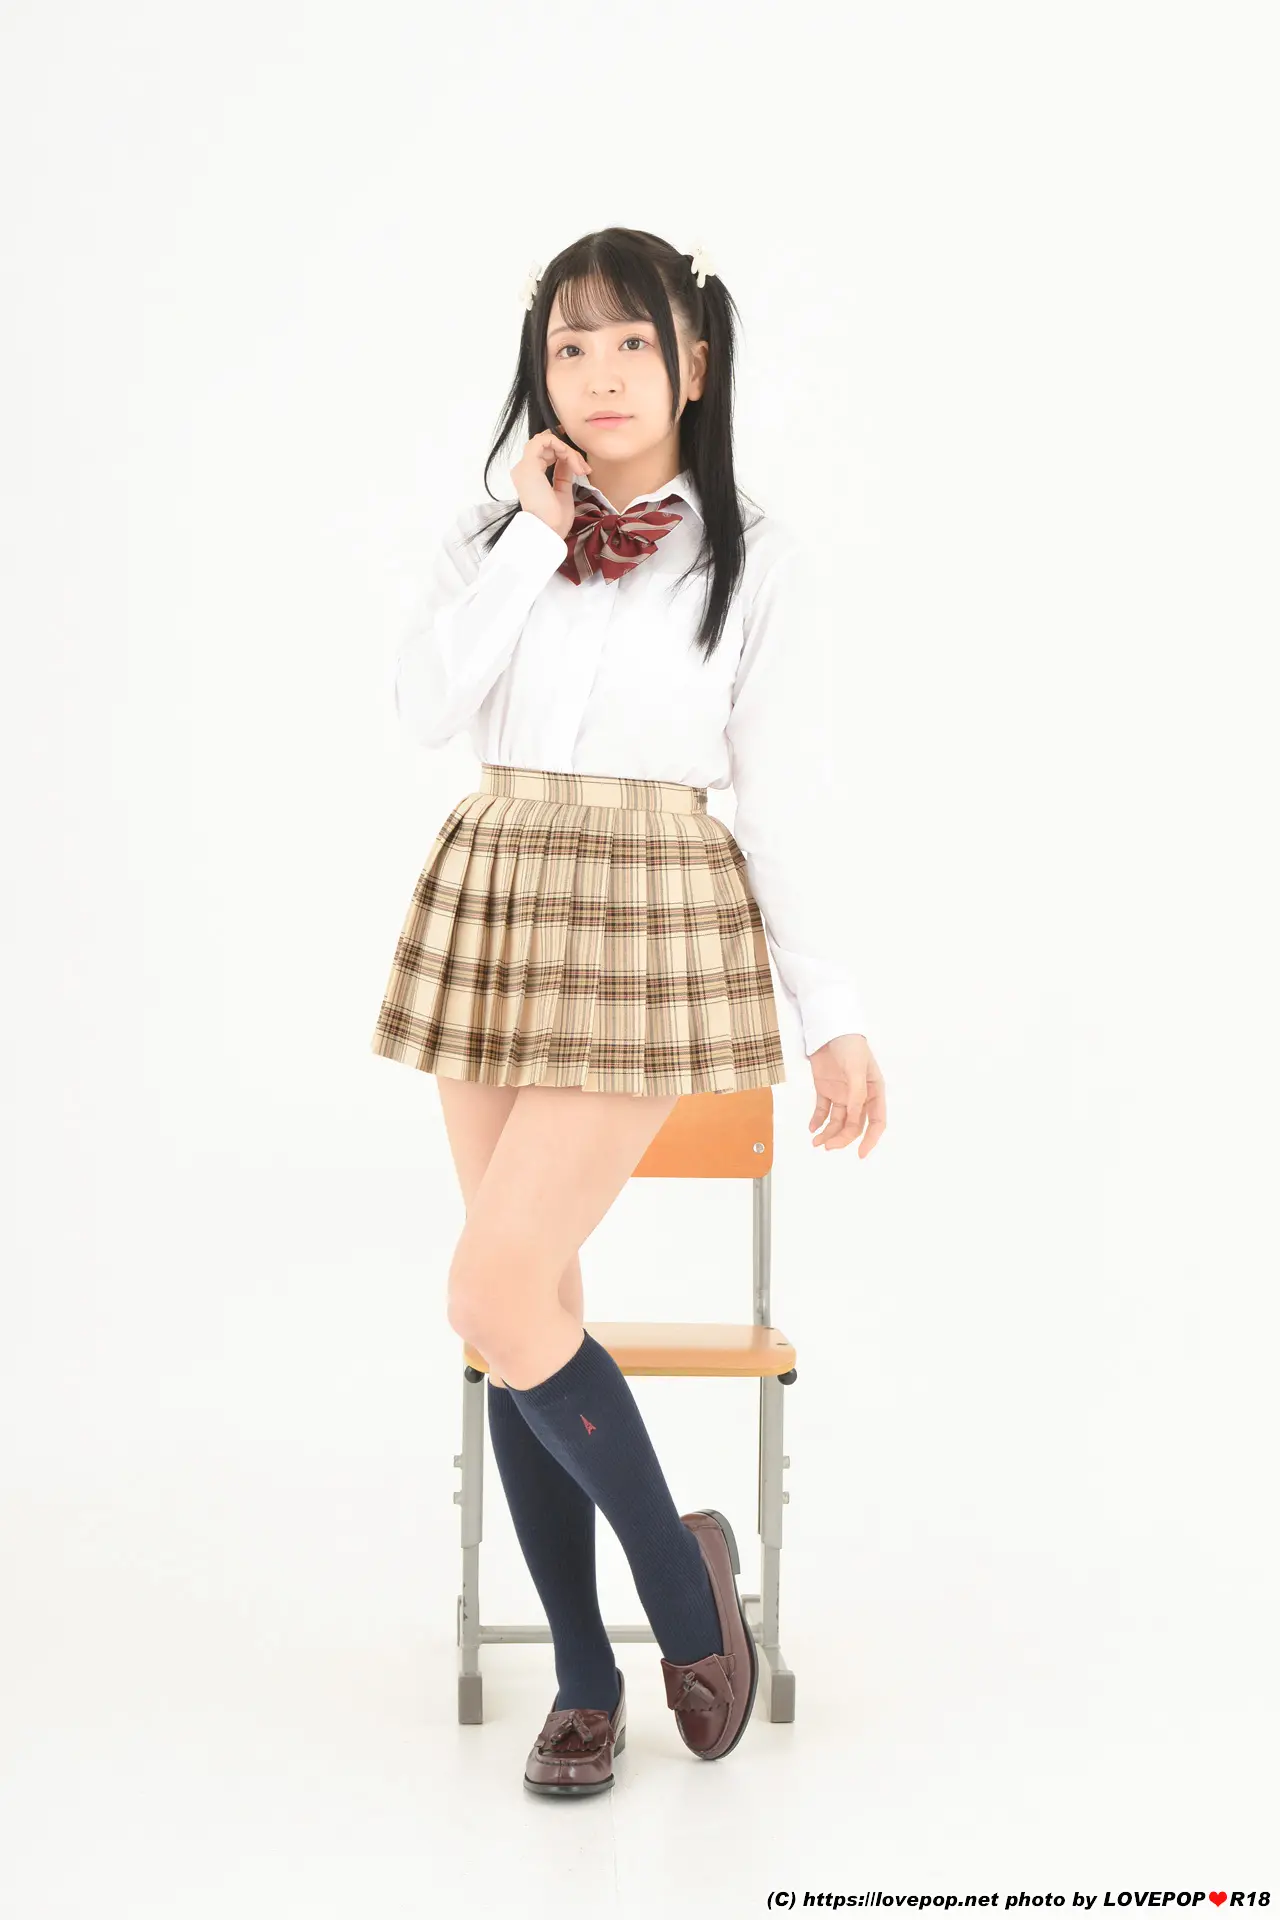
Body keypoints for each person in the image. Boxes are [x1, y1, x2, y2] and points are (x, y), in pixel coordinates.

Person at [370, 227, 888, 1793]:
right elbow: (425, 708)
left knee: (491, 1291)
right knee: (523, 1305)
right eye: (569, 346)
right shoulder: (493, 537)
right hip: (498, 889)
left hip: (654, 911)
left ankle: (675, 1589)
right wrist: (532, 540)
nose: (599, 375)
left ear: (694, 363)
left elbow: (782, 798)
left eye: (632, 343)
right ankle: (590, 1673)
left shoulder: (755, 558)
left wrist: (832, 1012)